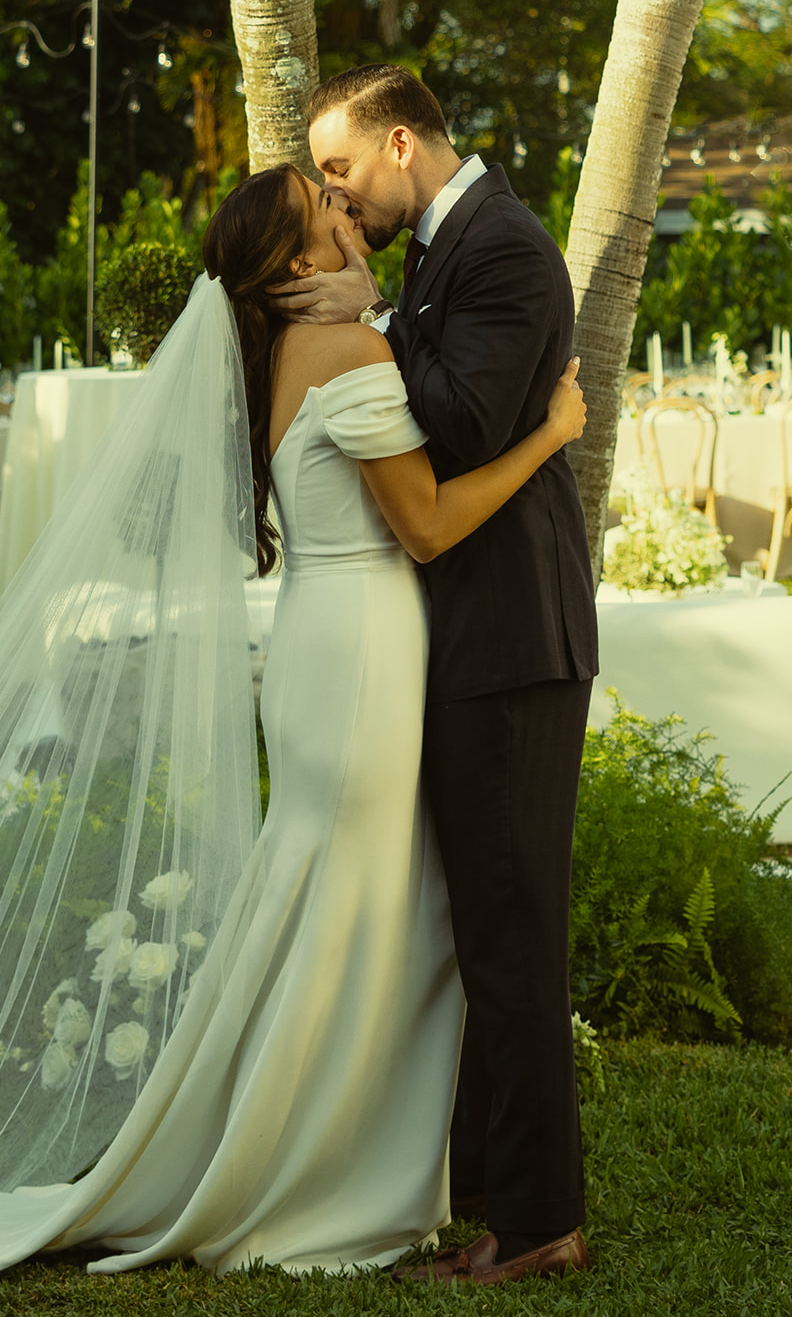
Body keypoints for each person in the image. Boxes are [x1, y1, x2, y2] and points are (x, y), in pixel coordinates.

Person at [0, 164, 585, 1287]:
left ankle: (340, 1148)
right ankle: (308, 1168)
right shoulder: (344, 352)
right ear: (299, 265)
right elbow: (428, 528)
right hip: (363, 654)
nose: (349, 214)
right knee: (352, 907)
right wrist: (551, 432)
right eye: (325, 209)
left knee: (341, 903)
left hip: (324, 643)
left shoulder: (291, 350)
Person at [274, 65, 599, 1286]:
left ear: (399, 142)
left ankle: (537, 1224)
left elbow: (458, 419)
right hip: (467, 638)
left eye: (345, 170)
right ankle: (499, 1203)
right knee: (483, 928)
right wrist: (379, 313)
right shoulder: (441, 248)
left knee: (512, 935)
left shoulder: (506, 249)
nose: (339, 201)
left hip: (511, 642)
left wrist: (372, 324)